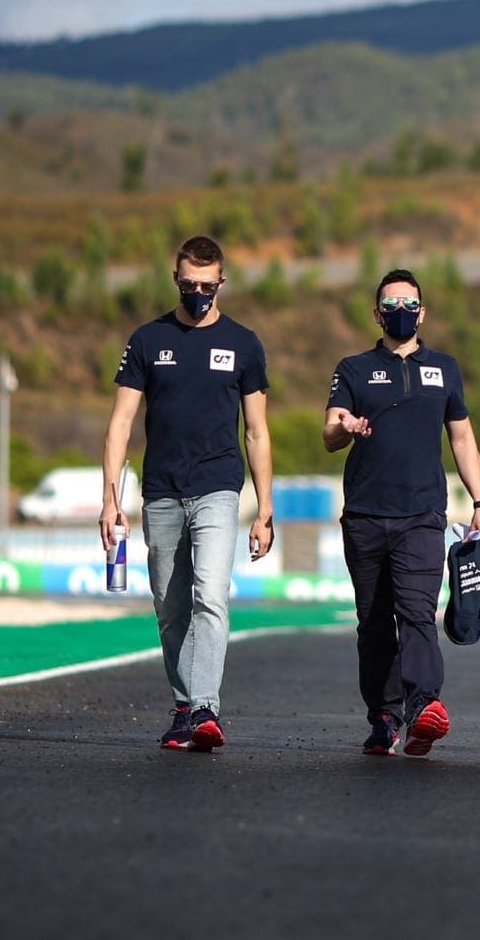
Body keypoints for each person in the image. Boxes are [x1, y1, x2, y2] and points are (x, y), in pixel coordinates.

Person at [101, 234, 274, 752]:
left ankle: (204, 707)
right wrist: (110, 500)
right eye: (189, 283)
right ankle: (184, 705)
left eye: (208, 284)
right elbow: (120, 423)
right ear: (176, 280)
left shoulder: (244, 343)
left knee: (211, 595)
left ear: (221, 282)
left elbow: (257, 431)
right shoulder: (148, 340)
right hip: (161, 491)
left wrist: (265, 509)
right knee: (170, 605)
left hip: (219, 487)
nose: (198, 292)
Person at [324, 269, 480, 757]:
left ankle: (423, 706)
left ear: (423, 311)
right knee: (373, 621)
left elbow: (461, 437)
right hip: (365, 514)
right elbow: (329, 432)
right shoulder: (353, 368)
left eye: (409, 304)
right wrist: (346, 427)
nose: (401, 312)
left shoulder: (445, 368)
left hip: (422, 513)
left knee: (417, 611)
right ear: (377, 313)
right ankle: (383, 715)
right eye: (391, 304)